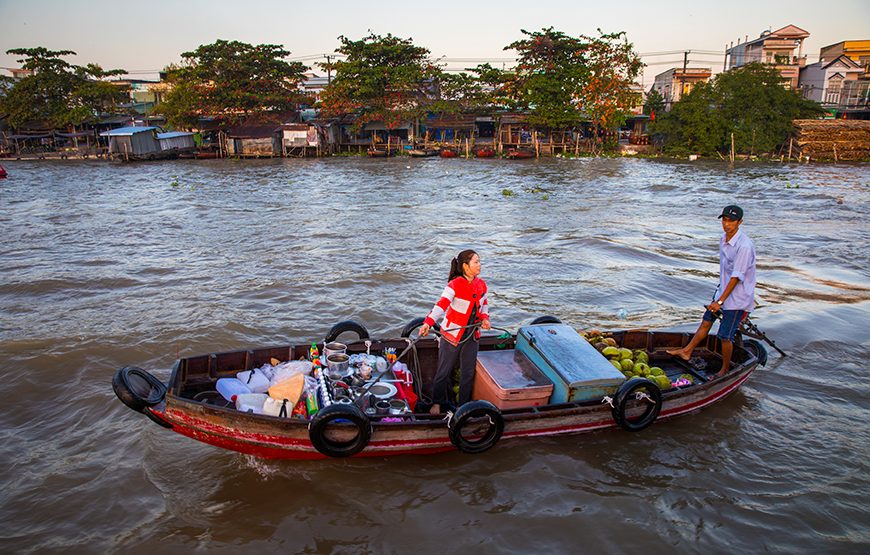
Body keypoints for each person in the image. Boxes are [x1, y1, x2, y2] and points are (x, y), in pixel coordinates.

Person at [667, 205, 756, 379]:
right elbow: (726, 272)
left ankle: (724, 370)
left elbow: (736, 277)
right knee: (706, 321)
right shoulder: (724, 239)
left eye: (731, 221)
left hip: (737, 298)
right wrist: (719, 296)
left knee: (724, 336)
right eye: (724, 220)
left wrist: (720, 302)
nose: (727, 224)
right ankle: (687, 351)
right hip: (723, 291)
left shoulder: (744, 246)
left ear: (740, 222)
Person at [419, 250, 491, 414]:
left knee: (468, 372)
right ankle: (437, 403)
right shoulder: (454, 285)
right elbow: (441, 305)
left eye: (479, 261)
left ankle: (462, 407)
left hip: (472, 335)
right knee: (443, 371)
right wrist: (428, 323)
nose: (479, 265)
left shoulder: (481, 284)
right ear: (465, 266)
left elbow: (484, 304)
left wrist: (485, 318)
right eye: (476, 262)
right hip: (452, 334)